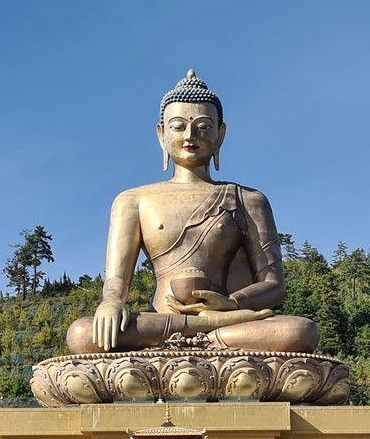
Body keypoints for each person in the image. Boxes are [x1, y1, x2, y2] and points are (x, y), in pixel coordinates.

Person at [66, 70, 320, 355]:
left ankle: (190, 342)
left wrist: (233, 304)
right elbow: (116, 281)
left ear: (220, 135)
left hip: (225, 321)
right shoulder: (133, 200)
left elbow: (273, 285)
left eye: (203, 127)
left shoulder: (248, 199)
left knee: (300, 331)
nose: (190, 135)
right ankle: (199, 339)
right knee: (82, 334)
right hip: (163, 321)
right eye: (178, 126)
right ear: (161, 135)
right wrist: (112, 302)